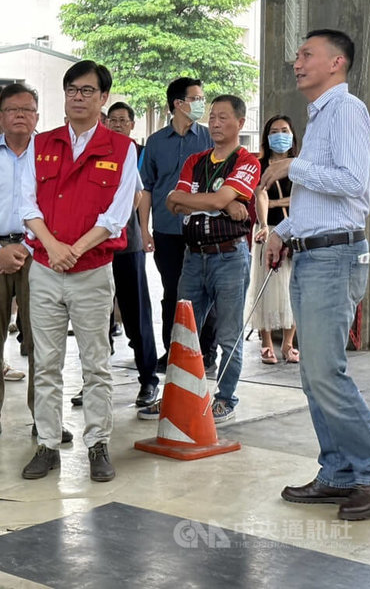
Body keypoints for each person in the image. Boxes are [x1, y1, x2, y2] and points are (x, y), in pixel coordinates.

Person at [263, 29, 370, 520]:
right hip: (312, 252)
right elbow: (319, 204)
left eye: (307, 54)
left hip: (335, 258)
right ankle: (339, 473)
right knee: (314, 375)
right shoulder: (319, 117)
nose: (296, 62)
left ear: (337, 62)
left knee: (326, 372)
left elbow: (352, 184)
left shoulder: (346, 111)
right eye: (297, 54)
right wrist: (285, 231)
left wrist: (292, 167)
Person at [20, 60, 138, 482]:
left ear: (103, 98)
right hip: (45, 269)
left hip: (92, 271)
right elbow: (26, 205)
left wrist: (75, 250)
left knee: (96, 364)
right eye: (72, 89)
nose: (78, 97)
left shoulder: (122, 149)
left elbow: (117, 214)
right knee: (46, 363)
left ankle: (98, 445)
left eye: (88, 91)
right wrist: (53, 247)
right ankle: (47, 444)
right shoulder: (42, 144)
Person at [0, 83, 72, 445]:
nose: (20, 116)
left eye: (28, 110)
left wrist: (30, 246)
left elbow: (57, 206)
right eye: (13, 110)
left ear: (38, 116)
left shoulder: (50, 154)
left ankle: (43, 417)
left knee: (43, 339)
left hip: (39, 253)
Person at [164, 95, 260, 423]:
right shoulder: (196, 160)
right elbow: (172, 202)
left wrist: (200, 200)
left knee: (228, 333)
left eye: (223, 117)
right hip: (194, 256)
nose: (215, 123)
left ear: (240, 123)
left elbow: (192, 199)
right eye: (213, 117)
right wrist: (222, 205)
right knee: (183, 329)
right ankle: (176, 395)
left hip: (229, 256)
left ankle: (225, 397)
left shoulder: (247, 161)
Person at [138, 78, 218, 376]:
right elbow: (146, 188)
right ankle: (172, 351)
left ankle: (206, 352)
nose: (201, 103)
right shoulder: (156, 142)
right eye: (196, 98)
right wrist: (144, 229)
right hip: (167, 231)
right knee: (172, 292)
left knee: (205, 290)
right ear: (178, 104)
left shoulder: (209, 139)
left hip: (202, 229)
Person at [105, 101, 160, 408]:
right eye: (112, 120)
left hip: (128, 244)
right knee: (96, 318)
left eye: (122, 120)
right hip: (94, 249)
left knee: (136, 313)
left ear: (131, 124)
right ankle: (93, 383)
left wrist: (143, 230)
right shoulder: (95, 151)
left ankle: (148, 380)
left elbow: (141, 196)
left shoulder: (134, 153)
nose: (116, 124)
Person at [248, 115, 299, 365]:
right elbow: (260, 195)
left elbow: (304, 199)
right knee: (265, 286)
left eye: (285, 130)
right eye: (275, 131)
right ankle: (267, 342)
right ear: (267, 137)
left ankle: (289, 344)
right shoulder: (260, 165)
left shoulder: (300, 165)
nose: (281, 135)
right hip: (267, 229)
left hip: (296, 230)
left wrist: (277, 201)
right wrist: (266, 224)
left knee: (294, 286)